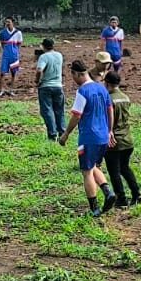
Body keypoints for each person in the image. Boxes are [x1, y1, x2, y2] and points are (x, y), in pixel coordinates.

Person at [59, 60, 118, 216]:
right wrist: (110, 130)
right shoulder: (102, 88)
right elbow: (110, 110)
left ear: (78, 74)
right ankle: (108, 192)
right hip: (103, 136)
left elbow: (76, 116)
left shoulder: (82, 92)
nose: (73, 80)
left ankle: (94, 208)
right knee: (94, 167)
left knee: (86, 172)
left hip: (88, 137)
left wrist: (65, 134)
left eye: (73, 76)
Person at [103, 71, 141, 207]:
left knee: (114, 171)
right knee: (125, 168)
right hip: (127, 139)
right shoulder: (125, 97)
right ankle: (137, 193)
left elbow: (107, 120)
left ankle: (121, 199)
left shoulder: (108, 99)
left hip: (114, 141)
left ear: (106, 83)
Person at [35, 37, 65, 140]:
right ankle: (62, 133)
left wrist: (37, 81)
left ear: (43, 46)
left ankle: (52, 134)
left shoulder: (44, 57)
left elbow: (39, 70)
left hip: (46, 86)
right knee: (59, 110)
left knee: (47, 111)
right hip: (58, 86)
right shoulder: (59, 55)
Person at [0, 17, 23, 97]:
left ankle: (11, 90)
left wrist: (16, 52)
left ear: (13, 22)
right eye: (6, 22)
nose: (7, 23)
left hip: (14, 56)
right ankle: (1, 90)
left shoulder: (18, 33)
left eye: (8, 22)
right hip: (6, 55)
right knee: (2, 73)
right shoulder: (2, 33)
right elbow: (2, 44)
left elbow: (19, 44)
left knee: (13, 73)